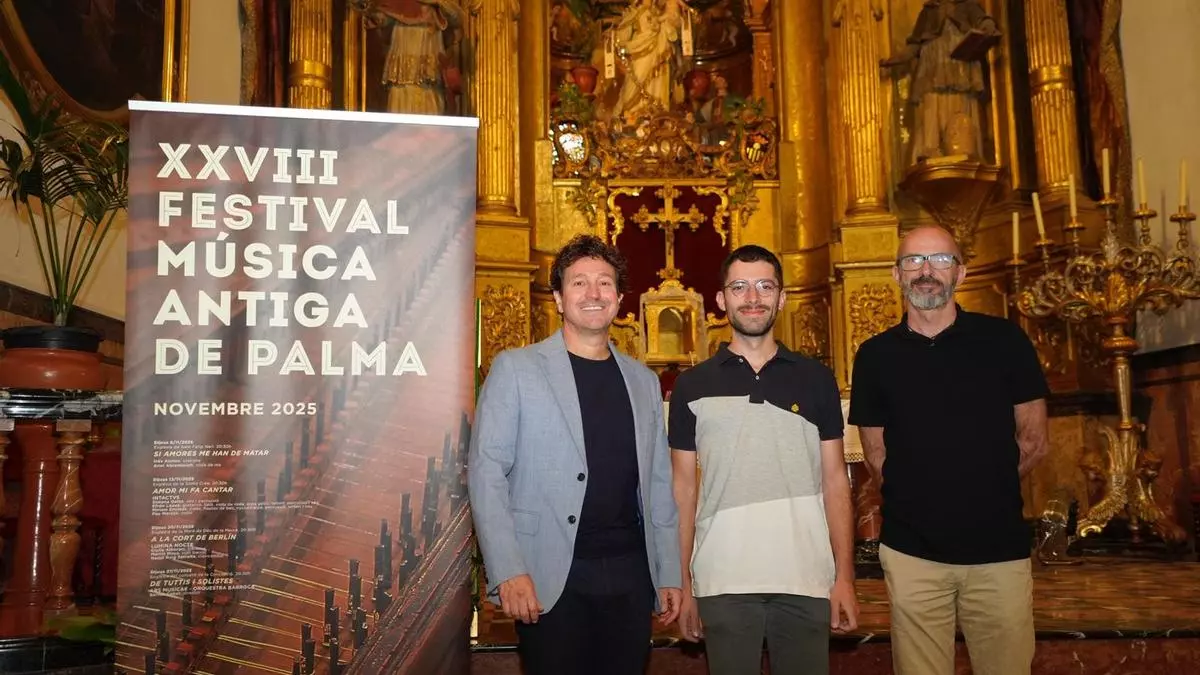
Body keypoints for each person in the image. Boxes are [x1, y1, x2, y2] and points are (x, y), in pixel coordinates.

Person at [468, 234, 682, 675]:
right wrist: (508, 570)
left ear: (619, 298)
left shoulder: (643, 381)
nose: (593, 293)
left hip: (629, 574)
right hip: (548, 575)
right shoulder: (516, 368)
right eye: (579, 283)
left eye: (604, 283)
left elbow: (658, 484)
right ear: (559, 299)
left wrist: (668, 573)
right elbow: (486, 474)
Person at [848, 225, 1050, 675]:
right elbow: (876, 455)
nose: (926, 271)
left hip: (998, 549)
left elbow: (1035, 442)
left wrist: (982, 487)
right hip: (912, 553)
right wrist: (925, 496)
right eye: (913, 261)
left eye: (940, 260)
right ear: (896, 274)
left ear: (961, 272)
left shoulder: (1006, 341)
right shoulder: (874, 356)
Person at [668, 245, 859, 675]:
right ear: (721, 300)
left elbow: (835, 481)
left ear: (782, 298)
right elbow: (682, 490)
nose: (752, 297)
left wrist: (844, 577)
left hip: (806, 577)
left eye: (764, 286)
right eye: (739, 287)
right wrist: (685, 583)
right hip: (722, 577)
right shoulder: (692, 385)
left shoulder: (816, 379)